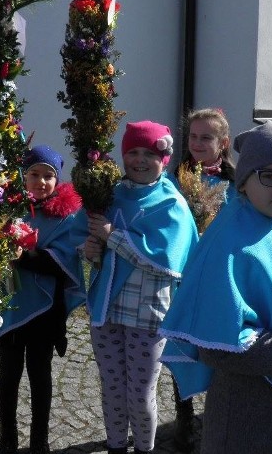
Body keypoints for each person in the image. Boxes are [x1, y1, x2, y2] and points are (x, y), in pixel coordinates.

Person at [160, 121, 272, 454]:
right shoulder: (227, 243)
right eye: (269, 176)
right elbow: (217, 346)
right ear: (244, 183)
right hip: (250, 416)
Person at [79, 120, 199, 454]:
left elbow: (164, 260)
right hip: (106, 309)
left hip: (148, 314)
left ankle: (144, 449)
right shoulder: (110, 195)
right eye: (133, 151)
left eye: (149, 152)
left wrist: (111, 236)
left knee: (141, 392)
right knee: (112, 388)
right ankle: (116, 447)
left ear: (165, 159)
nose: (140, 159)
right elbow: (88, 241)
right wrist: (88, 249)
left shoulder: (171, 203)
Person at [0, 145, 84, 454]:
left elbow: (65, 265)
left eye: (49, 176)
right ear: (23, 175)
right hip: (11, 303)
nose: (41, 182)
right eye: (34, 174)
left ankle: (39, 441)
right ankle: (7, 438)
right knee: (8, 374)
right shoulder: (8, 208)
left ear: (57, 181)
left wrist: (26, 256)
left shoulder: (66, 217)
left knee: (40, 375)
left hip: (46, 311)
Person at [169, 107, 236, 451]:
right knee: (182, 344)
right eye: (192, 136)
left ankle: (219, 414)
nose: (197, 143)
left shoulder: (237, 181)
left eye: (205, 137)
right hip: (183, 275)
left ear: (223, 142)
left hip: (222, 277)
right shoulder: (174, 177)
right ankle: (184, 416)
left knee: (218, 345)